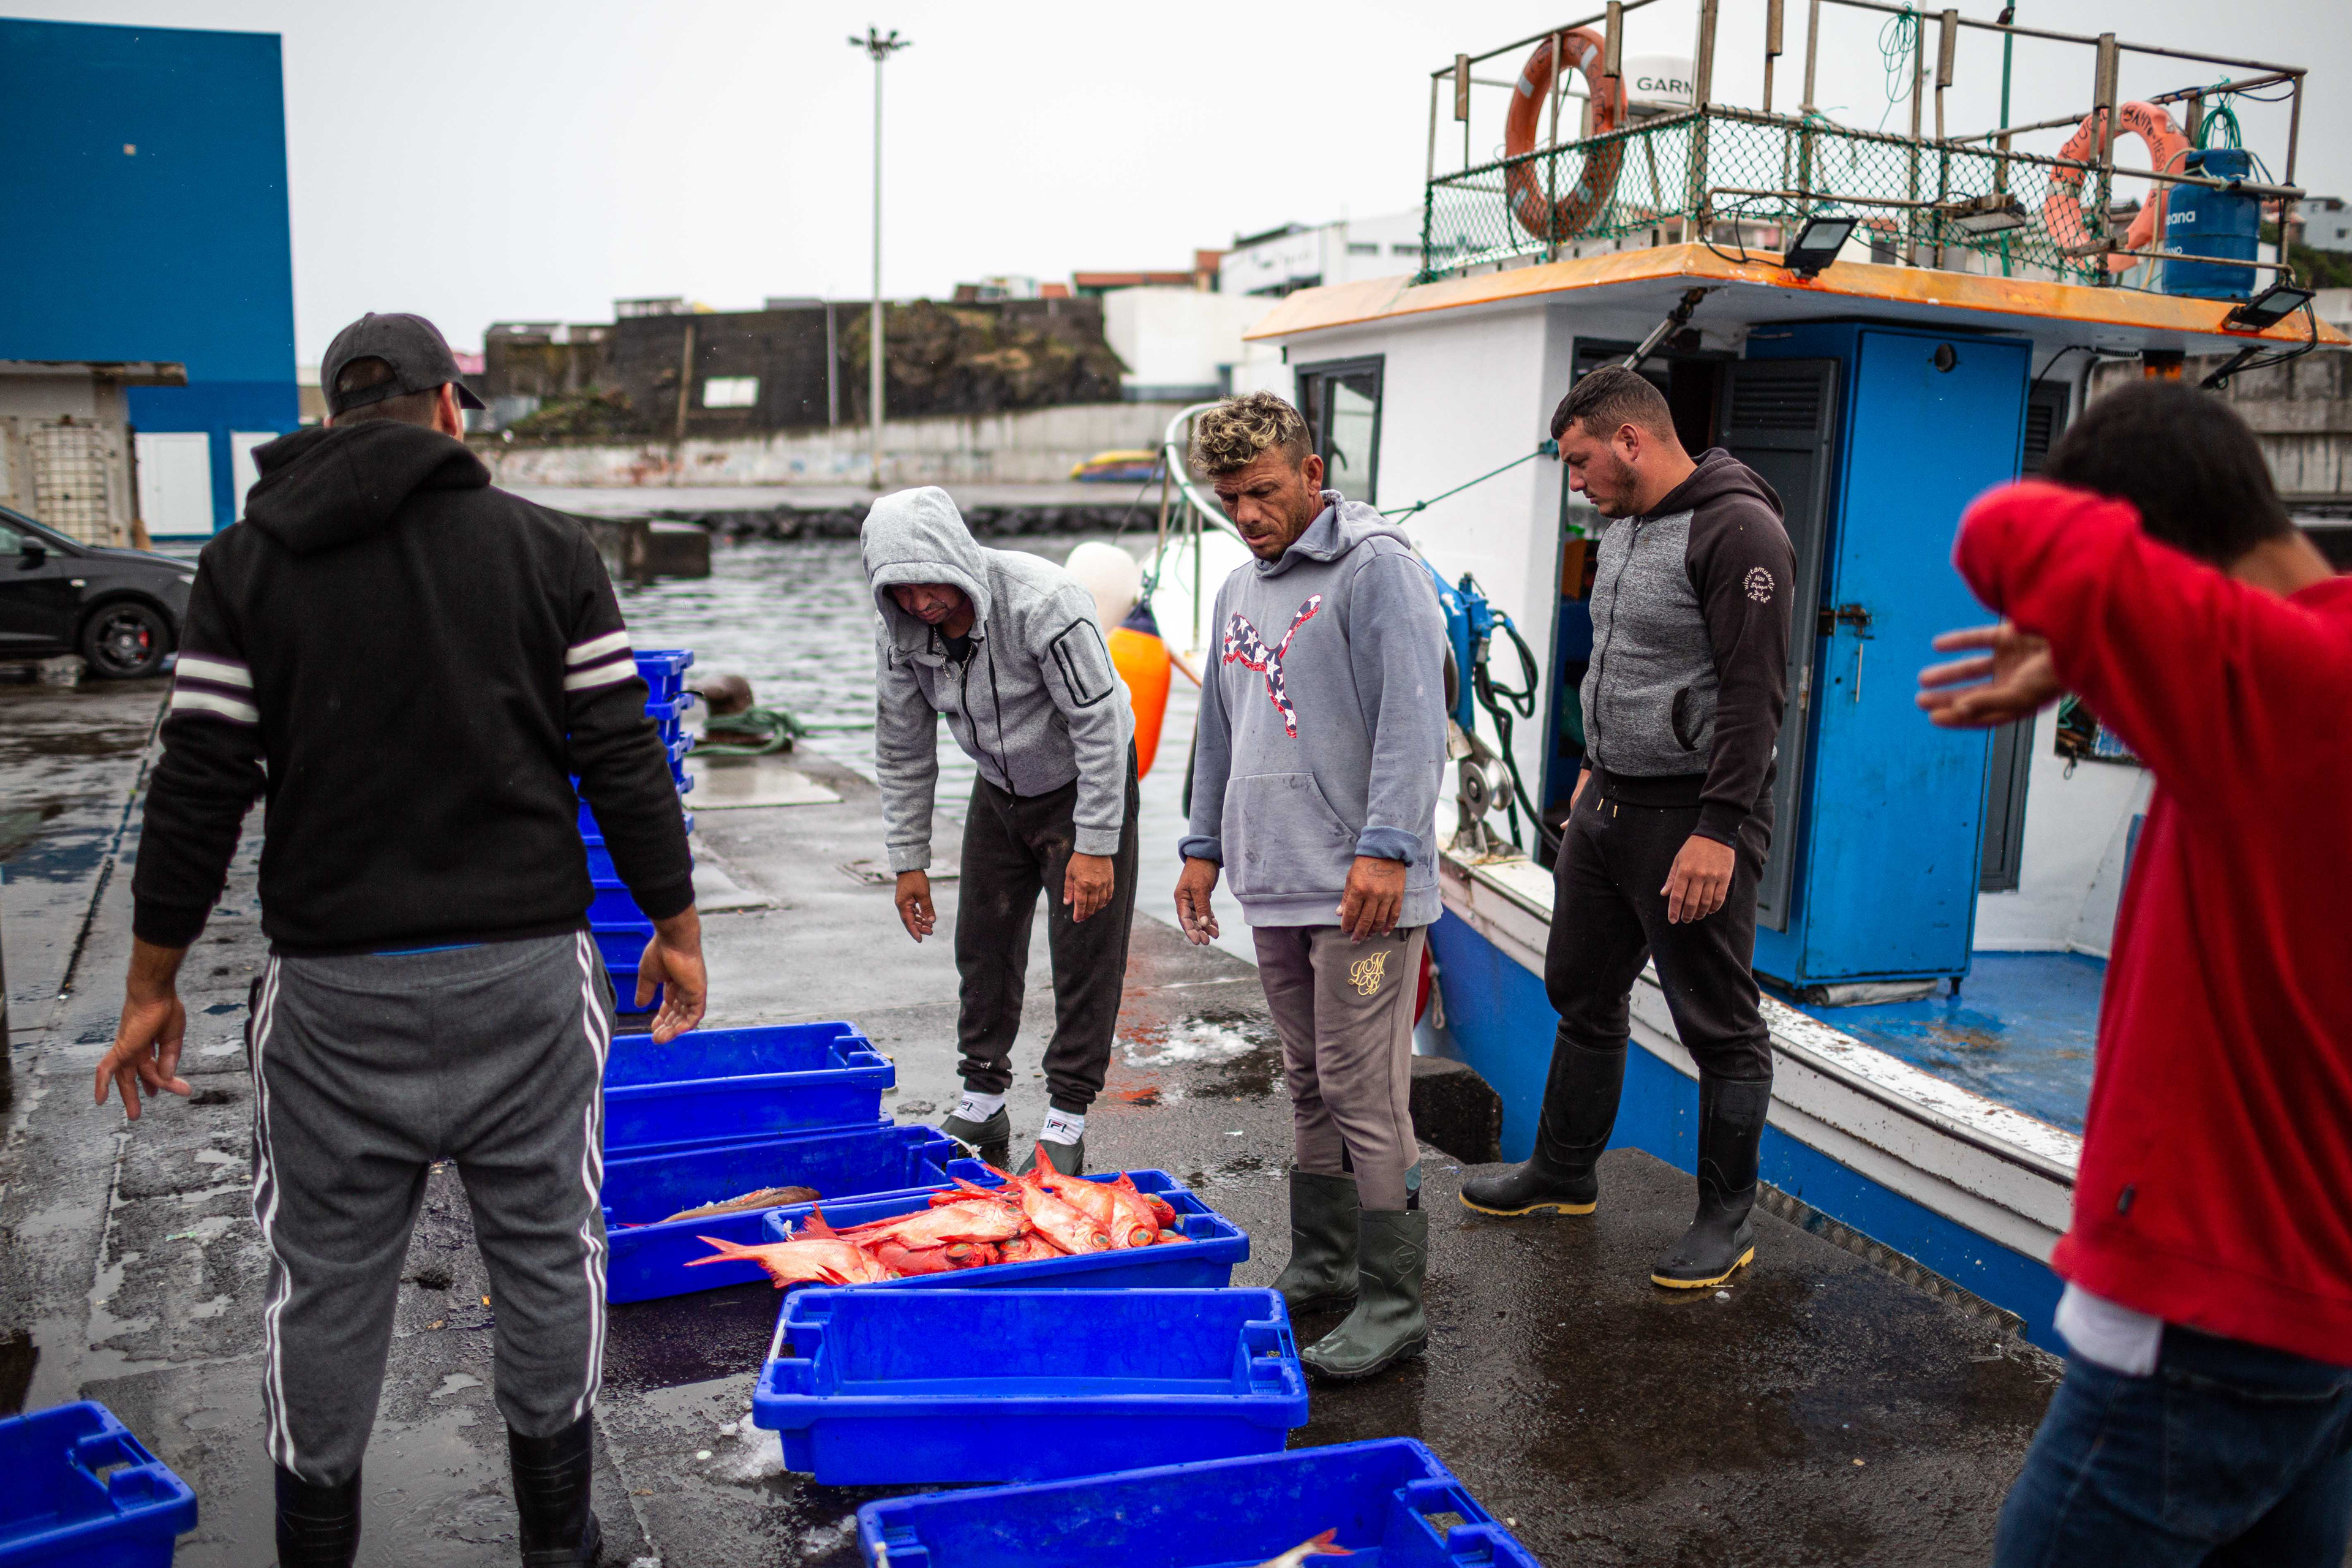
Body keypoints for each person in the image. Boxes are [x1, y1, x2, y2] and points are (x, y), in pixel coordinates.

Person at [92, 312, 703, 1568]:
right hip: (528, 980)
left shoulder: (244, 562)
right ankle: (556, 1542)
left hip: (329, 994)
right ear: (450, 409)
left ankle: (317, 1546)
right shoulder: (546, 549)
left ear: (328, 414)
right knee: (547, 1257)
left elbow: (201, 779)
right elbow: (622, 755)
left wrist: (149, 984)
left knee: (318, 1282)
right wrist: (676, 926)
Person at [1915, 381, 2352, 1566]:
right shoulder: (2311, 669)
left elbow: (2003, 532)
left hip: (2209, 1302)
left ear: (2163, 558)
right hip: (2324, 1312)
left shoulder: (2273, 679)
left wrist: (2085, 632)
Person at [1460, 364, 1795, 1291]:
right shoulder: (1623, 527)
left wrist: (1720, 830)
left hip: (1692, 816)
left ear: (1631, 440)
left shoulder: (1740, 529)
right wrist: (1588, 774)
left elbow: (1755, 698)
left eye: (1580, 461)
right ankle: (1563, 1172)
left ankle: (1726, 1220)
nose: (1576, 480)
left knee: (1718, 1023)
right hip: (1610, 805)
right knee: (1582, 991)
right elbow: (1613, 663)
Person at [1174, 391, 1448, 1381]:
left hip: (1363, 889)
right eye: (1229, 496)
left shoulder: (1378, 569)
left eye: (1263, 492)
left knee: (1364, 1092)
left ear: (1312, 475)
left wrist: (1387, 847)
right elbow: (1219, 730)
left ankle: (1394, 1303)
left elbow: (1417, 723)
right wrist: (1200, 846)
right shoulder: (1237, 589)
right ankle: (1324, 1265)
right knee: (1306, 1084)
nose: (1246, 515)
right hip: (1277, 884)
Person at [864, 486, 1137, 1176]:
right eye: (900, 590)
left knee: (1085, 954)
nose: (922, 602)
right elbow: (902, 748)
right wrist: (909, 860)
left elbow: (1102, 728)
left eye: (931, 581)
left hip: (1084, 782)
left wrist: (1097, 843)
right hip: (1000, 789)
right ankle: (983, 1099)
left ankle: (1067, 1117)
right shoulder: (902, 632)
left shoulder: (1043, 601)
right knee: (982, 946)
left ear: (956, 556)